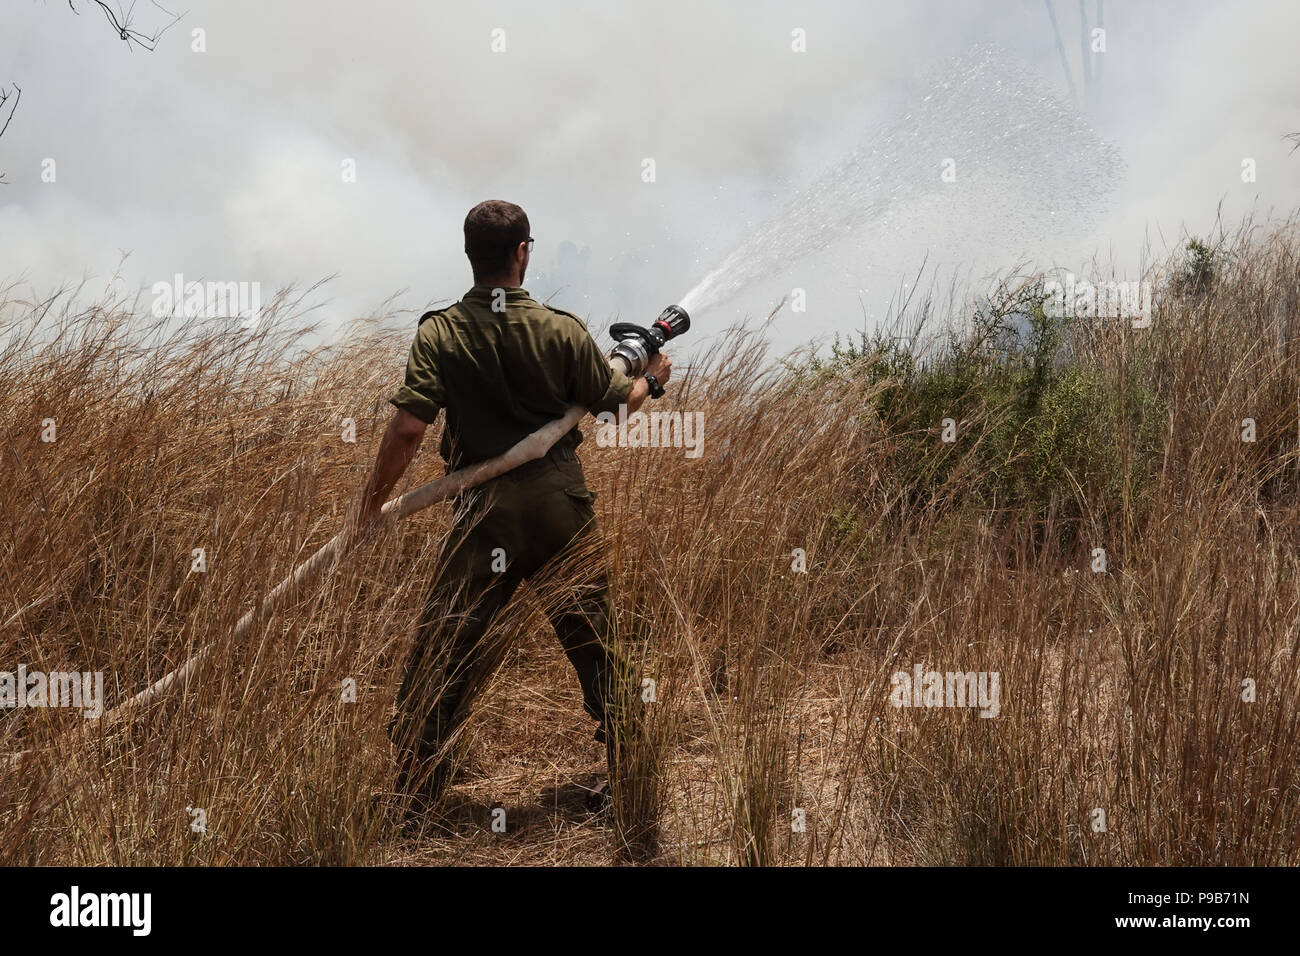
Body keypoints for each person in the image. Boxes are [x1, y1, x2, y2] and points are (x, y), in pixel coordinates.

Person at [352, 199, 672, 819]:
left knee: (446, 641)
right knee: (595, 637)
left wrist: (370, 507)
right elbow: (613, 405)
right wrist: (651, 378)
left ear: (469, 254)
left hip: (481, 513)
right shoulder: (561, 329)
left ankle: (416, 791)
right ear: (523, 251)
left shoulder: (440, 332)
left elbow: (407, 431)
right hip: (558, 504)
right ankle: (634, 776)